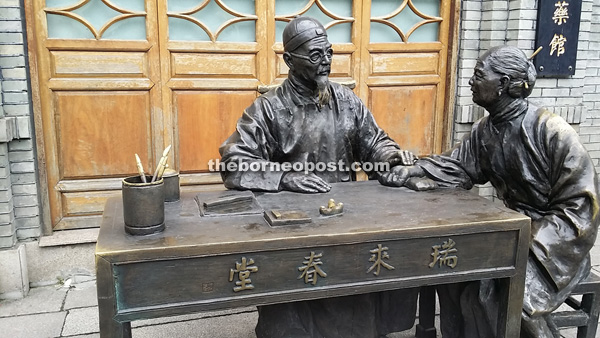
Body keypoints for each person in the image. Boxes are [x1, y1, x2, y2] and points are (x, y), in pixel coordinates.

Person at [380, 45, 600, 337]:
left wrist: (529, 241)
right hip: (512, 230)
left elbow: (583, 207)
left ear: (504, 84)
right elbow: (457, 166)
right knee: (456, 274)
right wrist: (413, 170)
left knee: (503, 294)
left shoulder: (552, 131)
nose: (471, 82)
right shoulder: (485, 129)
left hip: (557, 240)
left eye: (478, 75)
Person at [220, 16, 419, 338]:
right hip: (293, 227)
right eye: (315, 55)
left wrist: (390, 156)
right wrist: (284, 176)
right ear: (289, 60)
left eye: (328, 52)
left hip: (345, 218)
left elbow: (374, 143)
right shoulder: (268, 109)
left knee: (359, 297)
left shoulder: (346, 100)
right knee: (295, 310)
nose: (325, 61)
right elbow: (234, 163)